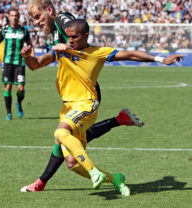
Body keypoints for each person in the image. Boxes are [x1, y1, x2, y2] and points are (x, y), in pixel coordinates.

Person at [20, 19, 183, 195]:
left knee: (60, 133)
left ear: (86, 35)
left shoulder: (97, 53)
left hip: (86, 104)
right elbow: (35, 65)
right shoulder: (61, 50)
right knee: (72, 164)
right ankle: (115, 179)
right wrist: (27, 56)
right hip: (67, 108)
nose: (70, 40)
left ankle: (93, 171)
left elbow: (130, 54)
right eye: (68, 37)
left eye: (74, 37)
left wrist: (161, 58)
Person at [21, 0, 143, 193]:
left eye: (38, 16)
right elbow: (37, 64)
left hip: (84, 94)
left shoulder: (61, 20)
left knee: (63, 135)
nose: (35, 22)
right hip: (71, 95)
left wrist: (67, 44)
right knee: (71, 157)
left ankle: (41, 182)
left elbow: (76, 27)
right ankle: (118, 122)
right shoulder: (53, 33)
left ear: (50, 10)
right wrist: (30, 57)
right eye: (33, 19)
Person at [0, 8, 35, 120]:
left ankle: (19, 103)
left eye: (16, 15)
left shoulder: (23, 31)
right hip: (8, 62)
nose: (14, 17)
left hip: (20, 62)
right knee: (8, 87)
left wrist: (33, 58)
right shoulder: (4, 30)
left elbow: (30, 45)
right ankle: (9, 113)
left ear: (18, 17)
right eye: (12, 15)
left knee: (20, 89)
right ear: (9, 17)